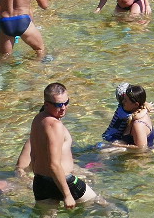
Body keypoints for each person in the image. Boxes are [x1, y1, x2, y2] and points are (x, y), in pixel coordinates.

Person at [17, 82, 101, 210]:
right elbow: (54, 164)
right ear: (46, 104)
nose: (63, 108)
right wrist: (67, 195)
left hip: (40, 181)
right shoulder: (55, 125)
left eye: (66, 103)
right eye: (58, 105)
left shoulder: (38, 119)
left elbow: (34, 154)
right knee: (100, 205)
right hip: (63, 180)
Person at [100, 83, 154, 153]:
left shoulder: (138, 123)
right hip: (111, 137)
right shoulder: (123, 111)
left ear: (136, 104)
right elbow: (135, 114)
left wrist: (121, 146)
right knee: (98, 147)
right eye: (123, 99)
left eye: (125, 100)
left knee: (103, 151)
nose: (123, 102)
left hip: (114, 138)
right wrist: (146, 108)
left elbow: (141, 148)